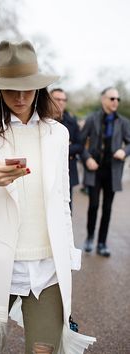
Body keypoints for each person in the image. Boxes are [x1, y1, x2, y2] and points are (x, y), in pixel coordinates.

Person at [0, 40, 95, 354]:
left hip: (47, 268)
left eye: (28, 88)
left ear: (40, 88)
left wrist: (67, 256)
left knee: (44, 350)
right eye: (11, 89)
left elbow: (62, 202)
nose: (21, 97)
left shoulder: (57, 134)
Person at [81, 87, 130, 257]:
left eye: (118, 99)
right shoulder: (92, 118)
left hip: (113, 171)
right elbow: (80, 143)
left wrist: (125, 151)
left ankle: (102, 243)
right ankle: (89, 237)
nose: (115, 102)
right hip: (94, 170)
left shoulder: (123, 122)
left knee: (107, 208)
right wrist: (87, 158)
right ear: (103, 99)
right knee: (93, 205)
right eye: (112, 98)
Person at [50, 88, 83, 210]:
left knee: (66, 209)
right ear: (49, 100)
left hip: (68, 170)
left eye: (64, 100)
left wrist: (61, 148)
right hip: (48, 170)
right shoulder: (40, 120)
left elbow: (79, 145)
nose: (61, 102)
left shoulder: (72, 121)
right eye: (57, 99)